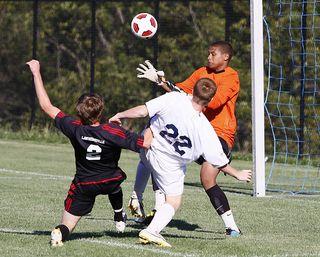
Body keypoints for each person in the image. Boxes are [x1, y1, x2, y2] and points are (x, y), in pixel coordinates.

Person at [109, 78, 251, 247]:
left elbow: (142, 111)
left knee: (148, 133)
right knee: (174, 202)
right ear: (210, 100)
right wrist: (237, 174)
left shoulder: (174, 98)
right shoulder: (205, 128)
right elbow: (218, 161)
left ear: (193, 91)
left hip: (147, 150)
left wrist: (119, 115)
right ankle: (151, 230)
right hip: (170, 166)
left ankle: (137, 196)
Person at [26, 60, 152, 247]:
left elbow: (46, 106)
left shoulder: (74, 127)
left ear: (79, 113)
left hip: (84, 184)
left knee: (68, 225)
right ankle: (118, 213)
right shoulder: (113, 131)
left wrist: (36, 73)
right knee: (115, 185)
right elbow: (146, 143)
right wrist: (154, 121)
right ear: (100, 111)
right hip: (109, 179)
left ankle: (59, 232)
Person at [129, 41, 244, 237]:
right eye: (208, 53)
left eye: (213, 54)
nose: (208, 57)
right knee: (159, 148)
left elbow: (212, 102)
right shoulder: (201, 71)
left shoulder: (232, 77)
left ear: (225, 57)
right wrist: (161, 81)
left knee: (207, 177)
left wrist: (173, 87)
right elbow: (179, 91)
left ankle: (231, 227)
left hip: (218, 135)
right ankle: (155, 206)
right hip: (193, 130)